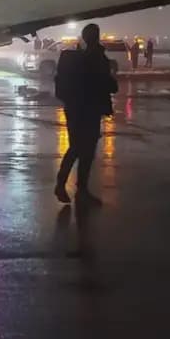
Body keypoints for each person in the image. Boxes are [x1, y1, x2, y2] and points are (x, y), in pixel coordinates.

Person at [54, 23, 118, 205]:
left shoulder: (77, 57)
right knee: (84, 151)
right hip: (89, 110)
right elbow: (107, 84)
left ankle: (69, 187)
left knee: (76, 149)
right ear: (96, 37)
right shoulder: (96, 57)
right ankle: (75, 189)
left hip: (75, 109)